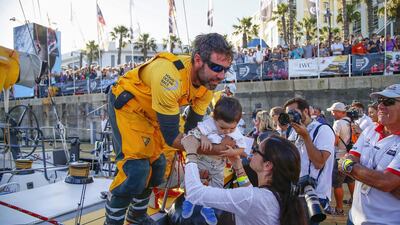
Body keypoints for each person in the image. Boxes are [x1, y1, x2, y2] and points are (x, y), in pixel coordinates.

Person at [104, 33, 233, 225]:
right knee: (136, 170)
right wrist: (216, 150)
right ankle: (112, 222)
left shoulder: (208, 85)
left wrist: (203, 157)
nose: (221, 76)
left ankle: (136, 215)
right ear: (198, 59)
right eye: (216, 68)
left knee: (158, 169)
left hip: (152, 113)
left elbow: (191, 129)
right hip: (129, 107)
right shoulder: (170, 78)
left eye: (226, 69)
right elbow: (172, 137)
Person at [182, 134, 307, 225]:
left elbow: (195, 193)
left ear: (268, 165)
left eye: (257, 150)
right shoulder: (278, 194)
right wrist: (237, 164)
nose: (252, 150)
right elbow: (249, 193)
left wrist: (191, 153)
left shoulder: (254, 198)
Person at [181, 97, 250, 225]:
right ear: (214, 118)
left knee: (217, 187)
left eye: (231, 128)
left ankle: (208, 208)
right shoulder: (208, 124)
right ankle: (189, 200)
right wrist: (202, 137)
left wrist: (233, 152)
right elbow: (193, 132)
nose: (227, 131)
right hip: (203, 159)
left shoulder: (236, 132)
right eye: (223, 128)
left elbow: (241, 148)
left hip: (218, 165)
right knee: (193, 179)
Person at [339, 84, 400, 225]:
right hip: (354, 218)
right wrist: (379, 180)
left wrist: (351, 167)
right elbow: (346, 161)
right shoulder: (370, 129)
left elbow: (385, 182)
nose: (380, 106)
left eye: (388, 102)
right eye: (380, 101)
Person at [284, 98, 335, 224]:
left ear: (305, 111)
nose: (290, 116)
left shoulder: (323, 130)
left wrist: (306, 136)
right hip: (296, 190)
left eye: (293, 112)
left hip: (315, 193)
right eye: (288, 114)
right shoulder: (293, 131)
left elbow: (319, 163)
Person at [326, 102, 354, 216]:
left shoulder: (338, 123)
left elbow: (335, 141)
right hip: (351, 156)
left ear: (338, 112)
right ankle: (354, 202)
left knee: (337, 184)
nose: (332, 113)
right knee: (350, 180)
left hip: (340, 157)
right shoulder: (351, 121)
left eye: (333, 111)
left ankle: (339, 208)